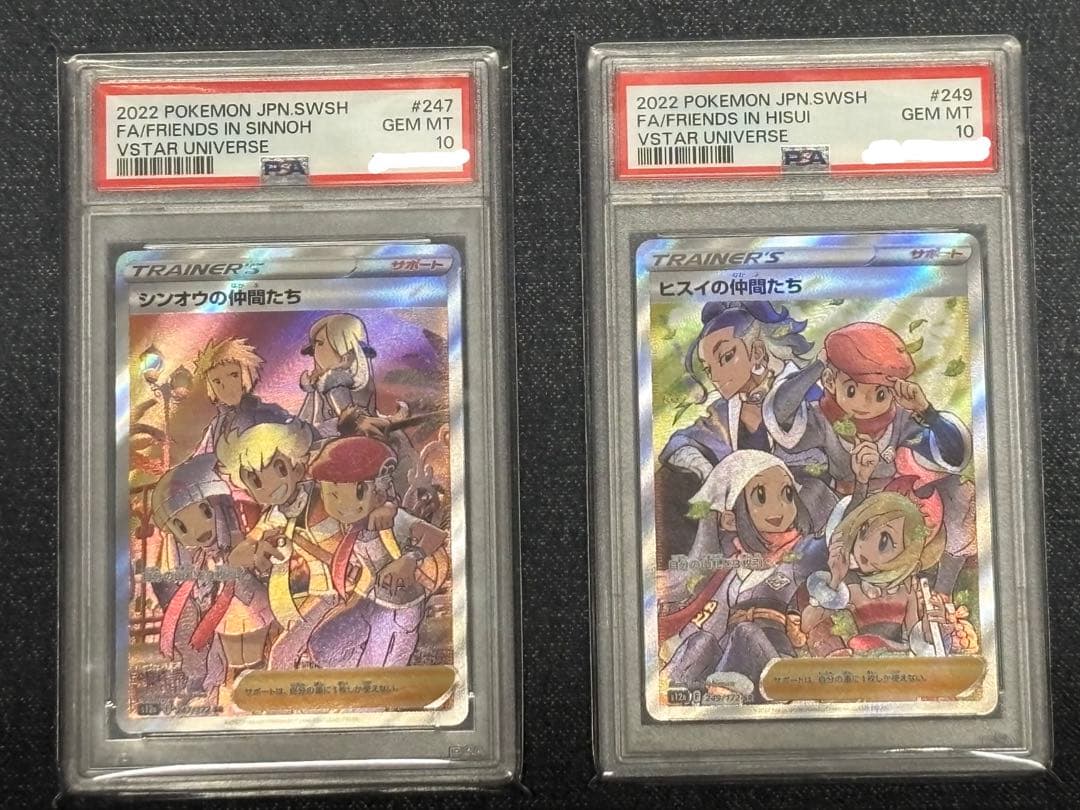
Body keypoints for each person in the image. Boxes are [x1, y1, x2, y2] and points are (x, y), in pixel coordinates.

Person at [763, 321, 974, 595]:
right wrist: (818, 366)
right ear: (831, 382)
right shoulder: (822, 419)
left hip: (894, 516)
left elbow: (954, 454)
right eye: (852, 390)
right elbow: (779, 413)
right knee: (813, 557)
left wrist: (926, 411)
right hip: (844, 513)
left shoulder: (901, 420)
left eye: (880, 394)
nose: (865, 404)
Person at [661, 450, 827, 703]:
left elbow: (837, 542)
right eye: (761, 496)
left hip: (776, 668)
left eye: (787, 494)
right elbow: (713, 622)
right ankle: (669, 695)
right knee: (701, 641)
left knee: (745, 632)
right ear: (731, 519)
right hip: (730, 664)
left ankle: (724, 692)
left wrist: (861, 485)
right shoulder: (733, 566)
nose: (779, 508)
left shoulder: (801, 552)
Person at [149, 454, 273, 696]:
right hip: (222, 616)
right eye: (182, 526)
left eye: (206, 512)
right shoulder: (196, 561)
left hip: (249, 602)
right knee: (233, 660)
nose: (198, 530)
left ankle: (254, 688)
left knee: (252, 655)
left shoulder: (240, 543)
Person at [192, 337, 290, 455]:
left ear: (246, 375)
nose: (226, 386)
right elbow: (204, 457)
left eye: (233, 375)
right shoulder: (216, 425)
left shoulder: (270, 413)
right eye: (217, 381)